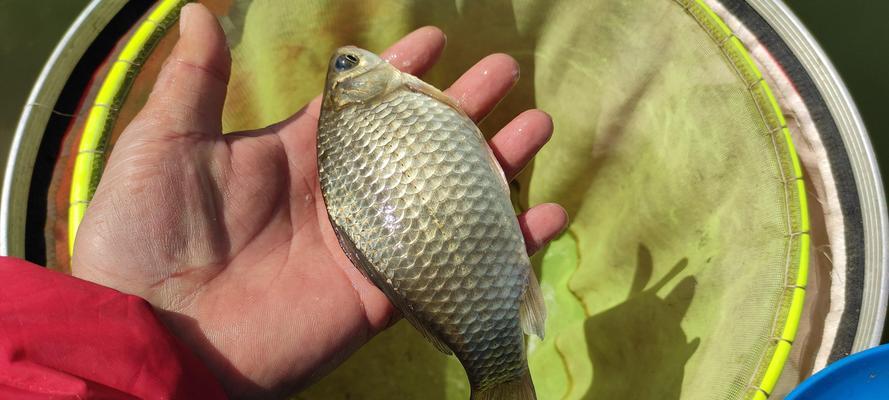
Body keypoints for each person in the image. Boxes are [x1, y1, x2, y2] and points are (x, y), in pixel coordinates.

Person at [0, 3, 567, 399]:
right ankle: (499, 373)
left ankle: (495, 365)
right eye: (348, 67)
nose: (350, 60)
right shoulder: (395, 102)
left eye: (345, 67)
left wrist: (144, 335)